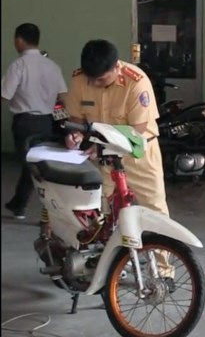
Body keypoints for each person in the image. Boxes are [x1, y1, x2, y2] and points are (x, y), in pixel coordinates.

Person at [63, 39, 171, 276]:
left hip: (138, 154)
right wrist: (75, 136)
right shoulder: (80, 79)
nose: (94, 83)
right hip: (104, 158)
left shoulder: (136, 82)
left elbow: (138, 131)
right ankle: (109, 267)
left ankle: (163, 272)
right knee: (102, 214)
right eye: (91, 79)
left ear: (116, 68)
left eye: (101, 79)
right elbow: (77, 120)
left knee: (155, 212)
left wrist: (103, 145)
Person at [2, 23, 67, 220]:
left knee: (32, 167)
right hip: (47, 122)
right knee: (35, 163)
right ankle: (19, 203)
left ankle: (33, 208)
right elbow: (63, 95)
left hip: (25, 123)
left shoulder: (19, 65)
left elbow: (5, 95)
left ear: (19, 40)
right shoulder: (53, 66)